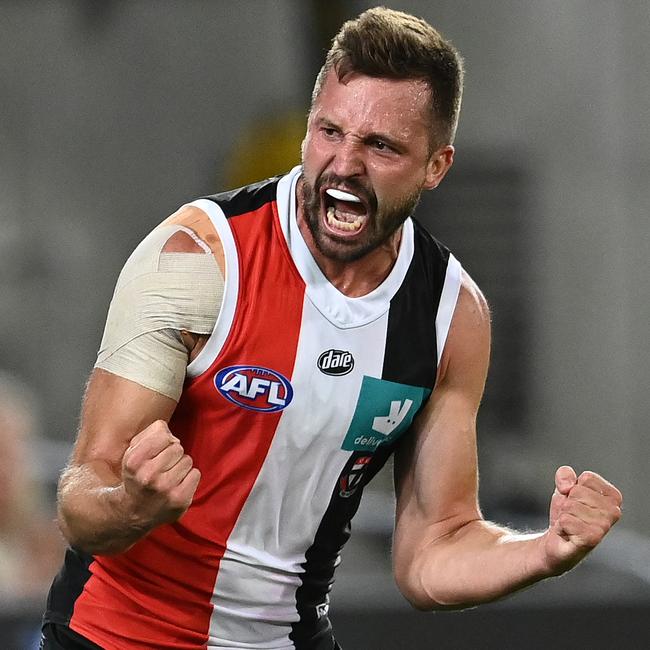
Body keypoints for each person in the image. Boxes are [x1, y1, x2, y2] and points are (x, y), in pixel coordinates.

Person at [41, 7, 622, 650]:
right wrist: (128, 501)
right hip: (115, 635)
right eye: (329, 131)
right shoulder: (198, 258)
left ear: (436, 166)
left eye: (380, 145)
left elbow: (433, 552)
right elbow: (81, 496)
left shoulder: (450, 317)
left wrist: (547, 550)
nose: (344, 165)